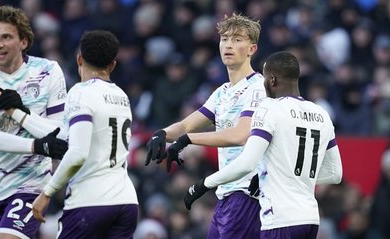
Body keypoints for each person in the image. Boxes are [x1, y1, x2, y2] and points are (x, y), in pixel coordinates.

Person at [184, 51, 343, 239]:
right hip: (310, 219)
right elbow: (335, 174)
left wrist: (204, 184)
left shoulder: (269, 109)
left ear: (272, 80)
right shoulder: (321, 114)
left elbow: (247, 163)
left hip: (280, 220)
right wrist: (288, 177)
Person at [145, 13, 265, 238]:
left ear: (252, 49)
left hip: (248, 192)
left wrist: (188, 140)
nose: (228, 45)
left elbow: (240, 135)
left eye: (237, 39)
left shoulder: (259, 88)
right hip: (226, 194)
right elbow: (186, 125)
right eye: (225, 39)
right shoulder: (222, 92)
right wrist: (162, 133)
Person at [0, 5, 68, 239]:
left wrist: (22, 111)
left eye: (6, 37)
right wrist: (38, 145)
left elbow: (60, 133)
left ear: (24, 42)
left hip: (31, 185)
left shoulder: (48, 72)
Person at [31, 30, 139, 239]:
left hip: (90, 202)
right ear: (113, 65)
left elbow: (78, 152)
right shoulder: (121, 95)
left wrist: (46, 194)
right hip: (126, 202)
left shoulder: (81, 92)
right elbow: (64, 134)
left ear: (79, 59)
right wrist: (19, 114)